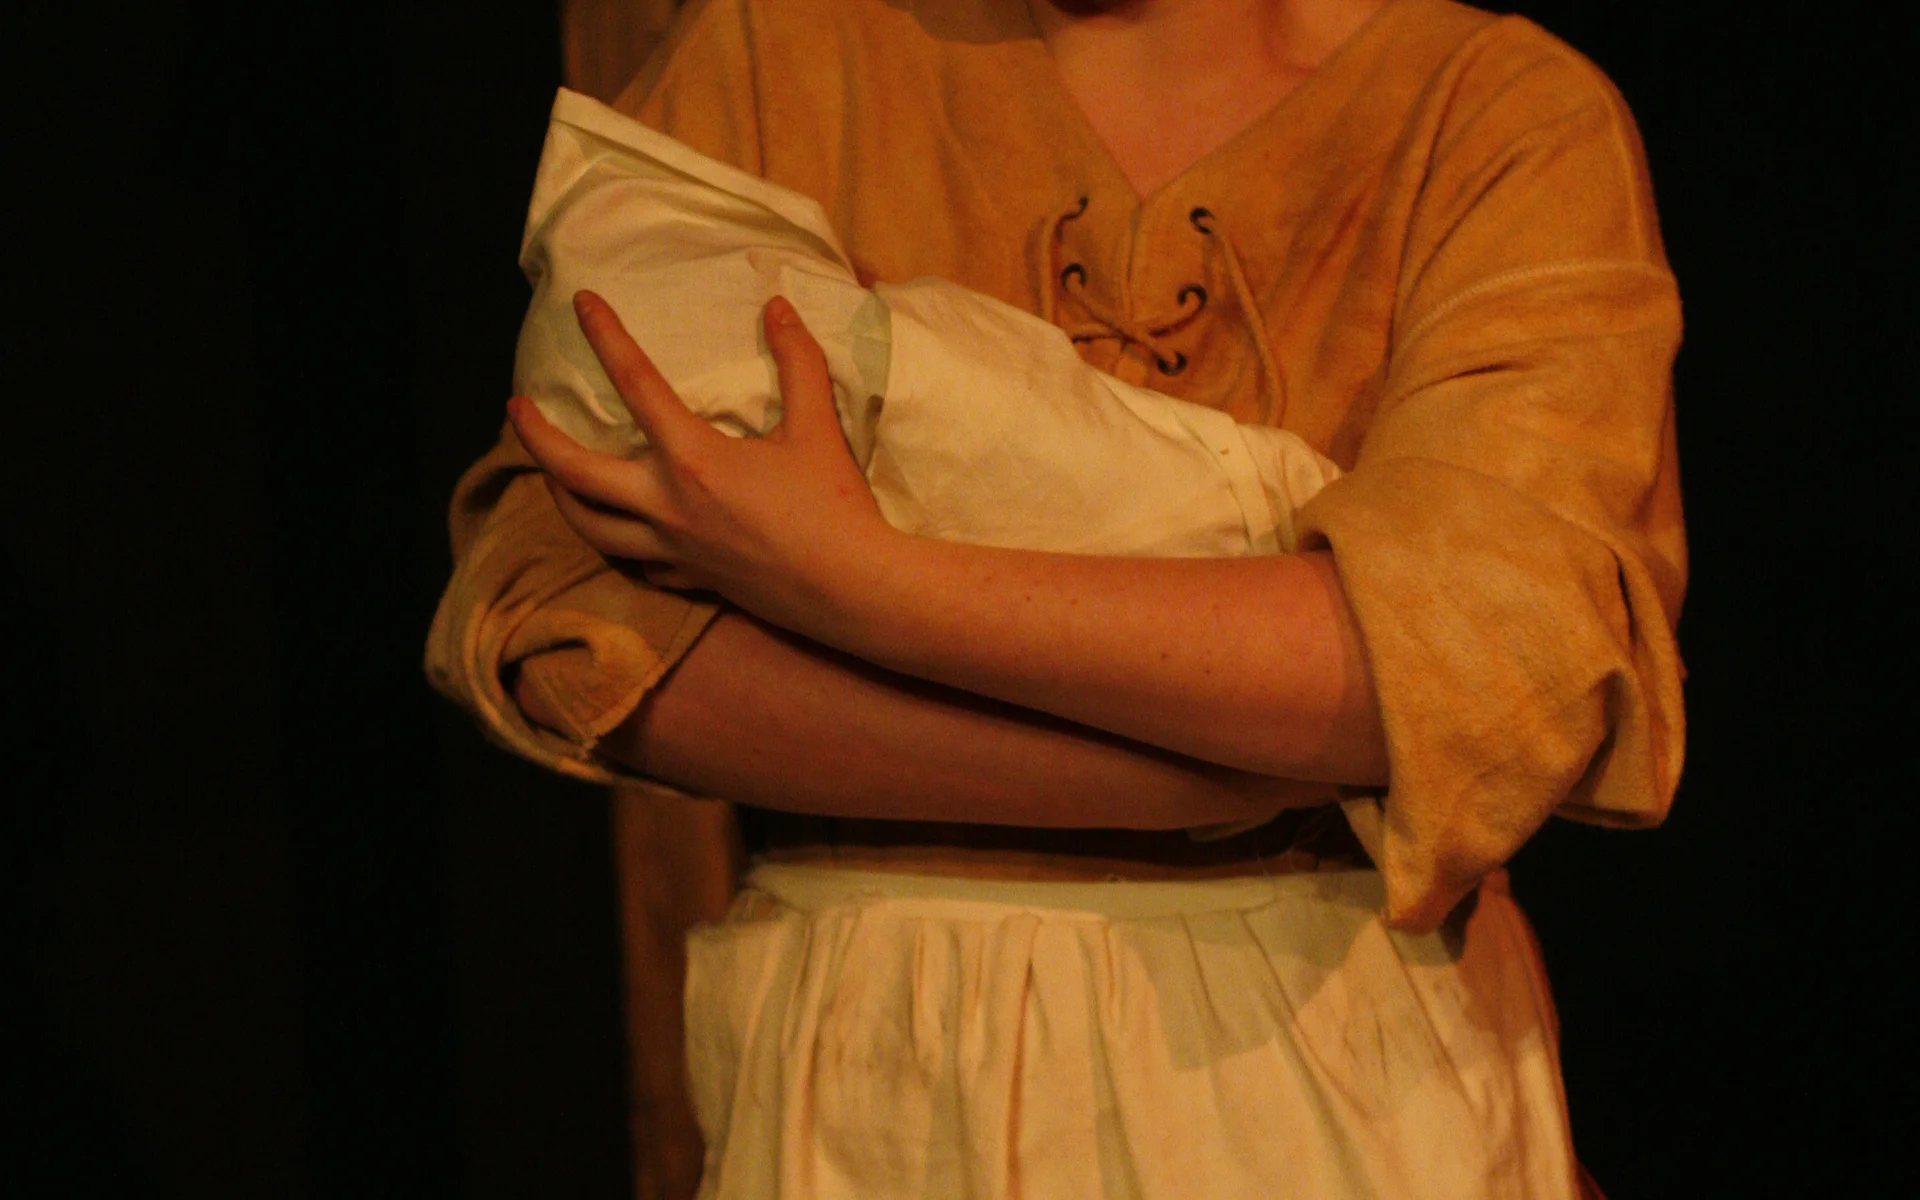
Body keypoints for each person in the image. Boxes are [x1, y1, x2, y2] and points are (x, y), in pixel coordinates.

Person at [426, 0, 1686, 1195]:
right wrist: (1208, 771)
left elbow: (1473, 658)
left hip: (1338, 1073)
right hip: (878, 1081)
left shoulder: (1489, 112)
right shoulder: (782, 53)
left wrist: (861, 584)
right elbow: (560, 614)